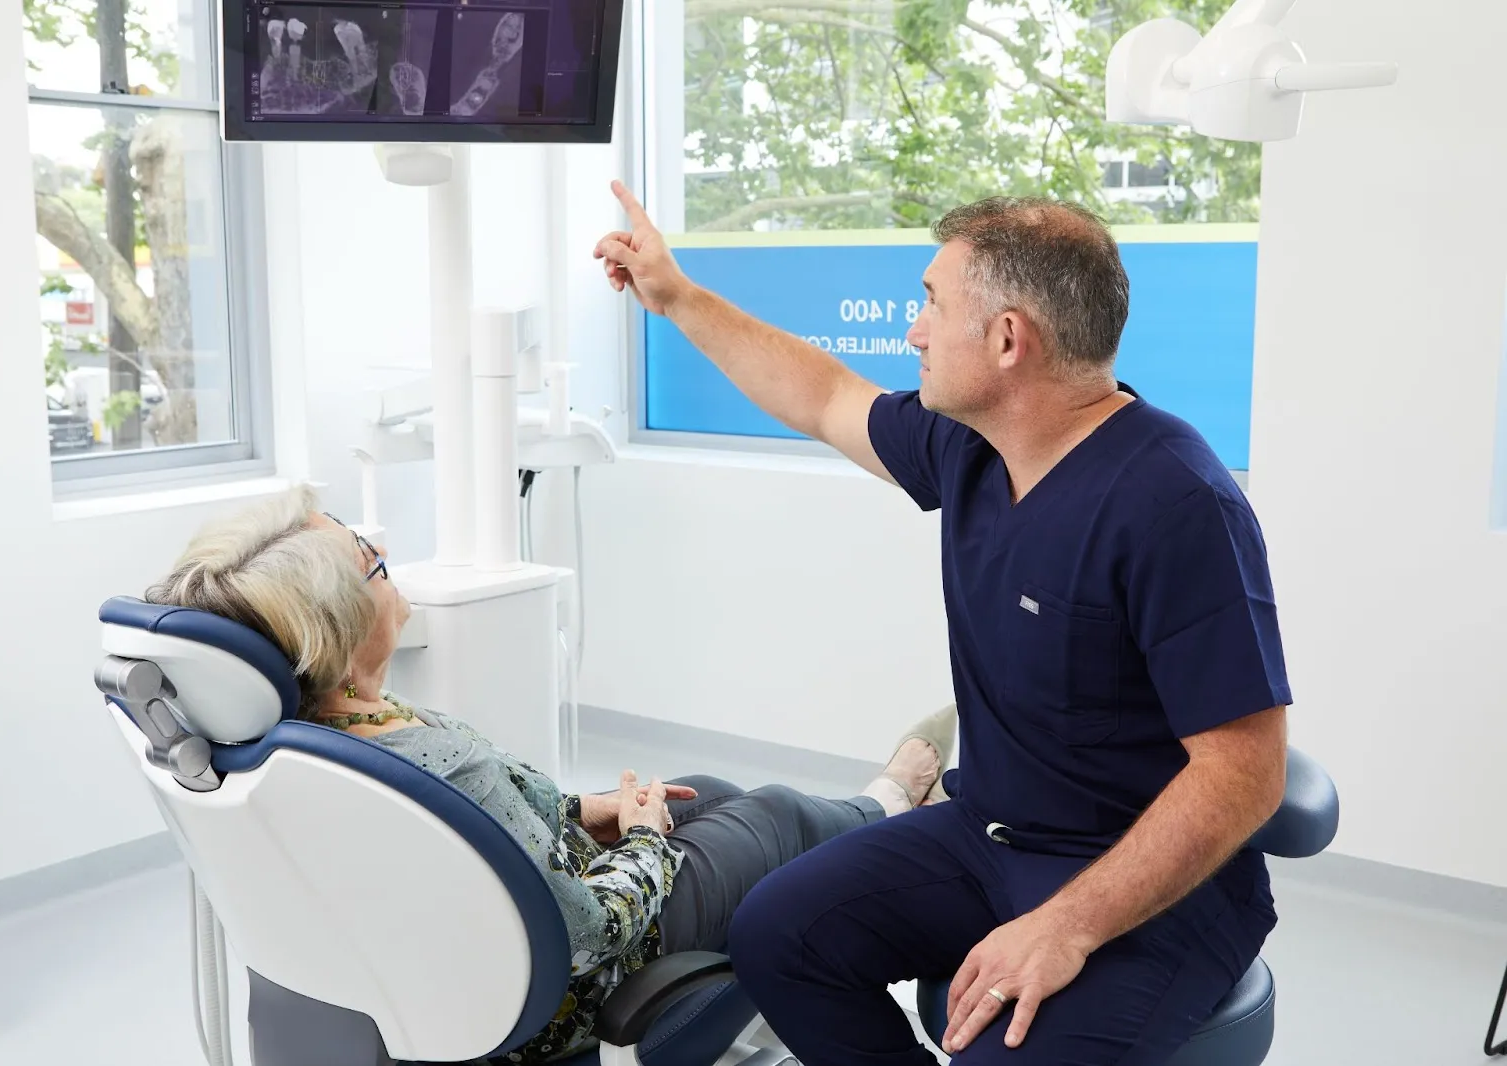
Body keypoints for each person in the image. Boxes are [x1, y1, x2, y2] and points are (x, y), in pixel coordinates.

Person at [594, 186, 1291, 1065]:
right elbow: (822, 397)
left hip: (1152, 886)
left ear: (1007, 339)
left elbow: (1246, 773)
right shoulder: (971, 445)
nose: (914, 332)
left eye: (930, 303)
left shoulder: (1177, 504)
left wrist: (1065, 927)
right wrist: (676, 296)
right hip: (990, 835)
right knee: (776, 931)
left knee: (999, 1051)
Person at [143, 485, 957, 1065]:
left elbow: (477, 838)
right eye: (369, 558)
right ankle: (891, 804)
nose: (386, 551)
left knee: (706, 791)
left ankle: (849, 845)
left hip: (460, 960)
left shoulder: (303, 747)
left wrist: (586, 810)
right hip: (560, 987)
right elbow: (582, 935)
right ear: (344, 627)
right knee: (771, 812)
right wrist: (640, 837)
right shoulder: (429, 765)